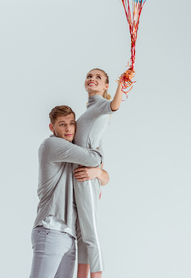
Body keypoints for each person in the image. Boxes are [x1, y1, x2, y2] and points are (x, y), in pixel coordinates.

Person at [29, 105, 110, 278]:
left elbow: (105, 178)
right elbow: (94, 158)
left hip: (69, 236)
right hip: (51, 229)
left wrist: (97, 173)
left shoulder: (74, 152)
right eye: (62, 124)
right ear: (52, 127)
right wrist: (97, 162)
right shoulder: (52, 145)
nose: (68, 129)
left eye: (72, 124)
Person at [74, 68, 124, 278]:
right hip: (80, 180)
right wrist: (98, 171)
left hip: (85, 181)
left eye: (98, 77)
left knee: (91, 234)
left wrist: (121, 85)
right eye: (89, 76)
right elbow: (98, 154)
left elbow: (114, 106)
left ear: (105, 86)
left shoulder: (102, 104)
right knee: (82, 236)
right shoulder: (90, 111)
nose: (92, 79)